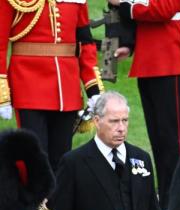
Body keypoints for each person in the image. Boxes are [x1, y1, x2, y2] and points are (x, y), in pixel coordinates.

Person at [48, 91, 173, 210]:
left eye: (125, 120)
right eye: (114, 121)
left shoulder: (141, 158)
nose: (121, 128)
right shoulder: (74, 162)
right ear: (97, 121)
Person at [108, 0, 180, 210]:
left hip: (171, 59)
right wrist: (129, 42)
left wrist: (126, 5)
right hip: (150, 60)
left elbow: (162, 9)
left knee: (172, 139)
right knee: (158, 138)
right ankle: (166, 200)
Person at [0, 0, 103, 168]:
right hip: (28, 84)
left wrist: (94, 89)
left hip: (67, 87)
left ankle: (59, 194)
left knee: (62, 157)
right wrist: (2, 90)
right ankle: (36, 194)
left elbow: (85, 43)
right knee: (34, 155)